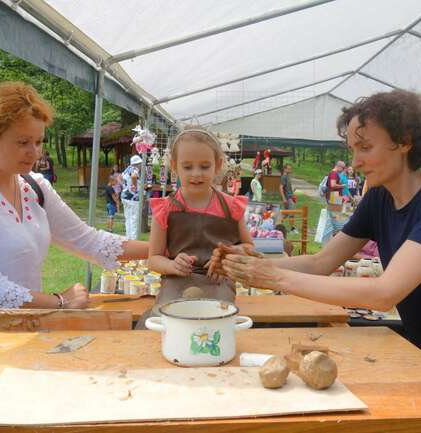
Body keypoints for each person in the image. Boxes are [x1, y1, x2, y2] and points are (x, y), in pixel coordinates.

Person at [213, 90, 421, 433]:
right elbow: (322, 261)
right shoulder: (379, 198)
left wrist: (274, 278)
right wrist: (253, 262)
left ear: (404, 142)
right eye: (352, 149)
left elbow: (384, 293)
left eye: (365, 148)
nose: (356, 161)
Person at [0, 81, 148, 384]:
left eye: (39, 141)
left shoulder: (32, 186)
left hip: (8, 337)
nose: (34, 152)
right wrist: (60, 301)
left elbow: (89, 241)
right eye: (22, 142)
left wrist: (163, 249)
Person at [140, 127, 253, 329]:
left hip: (218, 282)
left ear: (217, 166)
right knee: (169, 322)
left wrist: (226, 260)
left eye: (204, 166)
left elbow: (249, 249)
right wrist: (172, 265)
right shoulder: (164, 208)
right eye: (187, 167)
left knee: (215, 324)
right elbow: (153, 259)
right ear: (174, 166)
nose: (196, 174)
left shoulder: (231, 206)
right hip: (176, 281)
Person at [121, 155, 143, 240]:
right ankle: (133, 239)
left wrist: (125, 186)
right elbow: (134, 176)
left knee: (128, 217)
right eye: (140, 164)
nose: (141, 165)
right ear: (137, 163)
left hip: (125, 196)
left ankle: (128, 237)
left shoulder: (126, 170)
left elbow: (119, 177)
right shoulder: (134, 169)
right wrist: (135, 186)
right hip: (133, 198)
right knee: (134, 219)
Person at [279, 163, 297, 234]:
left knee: (286, 214)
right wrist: (284, 198)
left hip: (289, 197)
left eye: (290, 169)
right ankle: (292, 229)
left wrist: (293, 191)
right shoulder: (284, 177)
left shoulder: (287, 176)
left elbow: (287, 188)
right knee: (291, 213)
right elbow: (280, 188)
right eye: (289, 169)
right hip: (287, 198)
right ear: (285, 169)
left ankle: (276, 224)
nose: (290, 170)